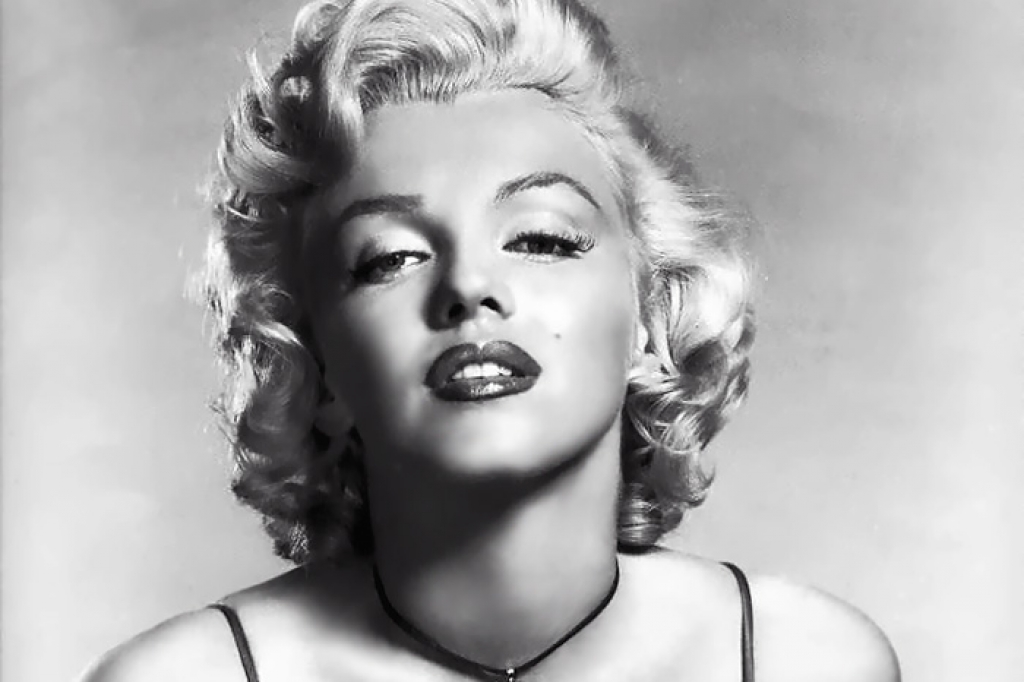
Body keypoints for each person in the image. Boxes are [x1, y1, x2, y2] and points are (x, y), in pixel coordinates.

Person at [82, 0, 899, 680]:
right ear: (317, 369)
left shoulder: (807, 662)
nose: (469, 285)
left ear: (651, 321)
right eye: (389, 258)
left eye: (542, 239)